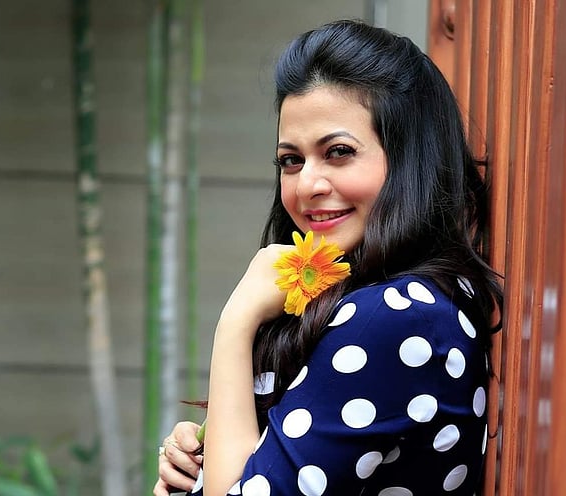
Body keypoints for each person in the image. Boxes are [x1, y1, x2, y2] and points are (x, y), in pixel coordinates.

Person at [154, 19, 502, 496]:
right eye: (290, 160)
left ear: (409, 160)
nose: (306, 185)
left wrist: (235, 322)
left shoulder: (396, 317)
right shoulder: (379, 302)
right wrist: (199, 461)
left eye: (338, 152)